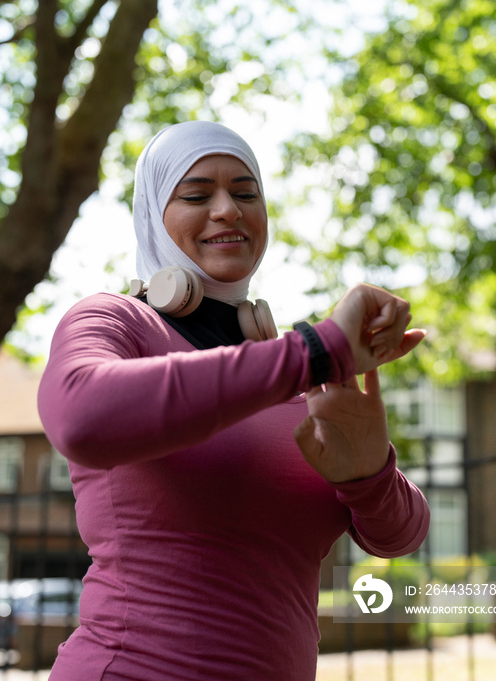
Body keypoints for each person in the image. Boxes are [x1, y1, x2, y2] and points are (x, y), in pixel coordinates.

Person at [37, 121, 430, 681]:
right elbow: (80, 417)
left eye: (246, 193)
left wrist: (370, 473)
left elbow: (401, 536)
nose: (228, 210)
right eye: (197, 195)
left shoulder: (290, 374)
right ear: (153, 215)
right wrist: (314, 351)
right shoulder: (116, 320)